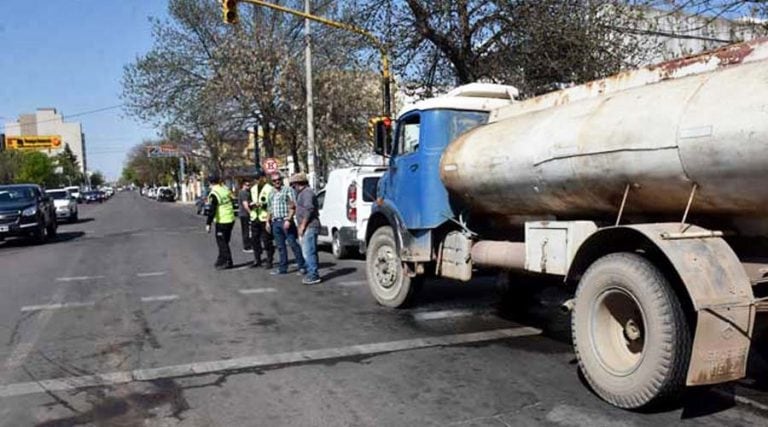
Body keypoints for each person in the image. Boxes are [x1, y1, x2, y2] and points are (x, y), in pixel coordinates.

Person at [266, 173, 305, 275]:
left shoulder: (288, 190)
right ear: (272, 182)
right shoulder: (271, 193)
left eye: (278, 179)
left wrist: (288, 219)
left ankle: (302, 266)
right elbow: (269, 208)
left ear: (281, 180)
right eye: (274, 181)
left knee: (292, 243)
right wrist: (267, 222)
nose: (277, 182)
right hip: (275, 222)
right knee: (280, 246)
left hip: (286, 220)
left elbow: (293, 205)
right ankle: (283, 268)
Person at [291, 173, 322, 285]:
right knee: (307, 251)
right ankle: (312, 272)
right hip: (306, 226)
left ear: (298, 184)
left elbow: (309, 209)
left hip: (310, 226)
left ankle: (313, 274)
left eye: (293, 185)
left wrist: (303, 225)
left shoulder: (307, 193)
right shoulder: (301, 194)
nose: (293, 187)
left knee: (309, 251)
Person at [205, 175, 236, 270]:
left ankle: (227, 261)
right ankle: (221, 259)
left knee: (222, 242)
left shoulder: (214, 193)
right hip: (230, 218)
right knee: (225, 241)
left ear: (210, 183)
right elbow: (233, 198)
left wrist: (208, 223)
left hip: (222, 220)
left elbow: (212, 210)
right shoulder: (225, 189)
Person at [249, 171, 275, 268]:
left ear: (263, 178)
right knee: (254, 240)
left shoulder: (270, 189)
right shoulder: (253, 189)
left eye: (258, 178)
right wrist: (251, 204)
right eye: (255, 179)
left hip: (265, 217)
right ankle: (257, 259)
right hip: (255, 216)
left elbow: (271, 204)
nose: (256, 181)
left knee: (266, 240)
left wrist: (262, 205)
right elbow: (250, 200)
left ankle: (269, 260)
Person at [238, 180, 253, 253]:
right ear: (243, 185)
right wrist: (251, 213)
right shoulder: (243, 193)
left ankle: (249, 244)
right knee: (246, 231)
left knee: (248, 230)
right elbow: (245, 205)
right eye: (247, 185)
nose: (248, 186)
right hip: (244, 214)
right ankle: (246, 246)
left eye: (249, 185)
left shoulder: (247, 192)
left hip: (245, 214)